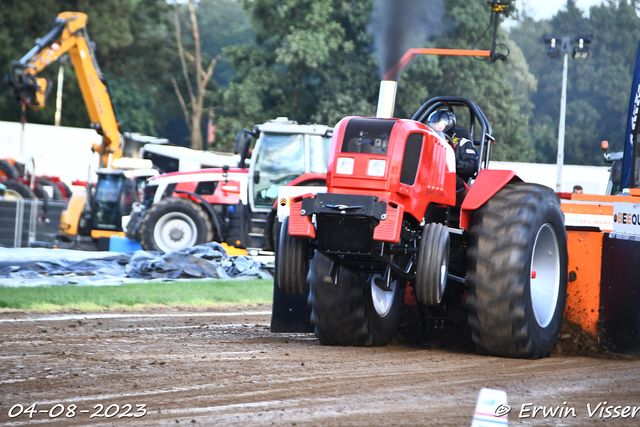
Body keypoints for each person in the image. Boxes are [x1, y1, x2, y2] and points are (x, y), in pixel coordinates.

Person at [427, 109, 479, 186]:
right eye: (433, 126)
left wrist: (452, 162)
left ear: (448, 125)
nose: (435, 129)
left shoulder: (462, 143)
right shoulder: (428, 143)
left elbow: (471, 167)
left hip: (456, 183)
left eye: (439, 126)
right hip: (432, 178)